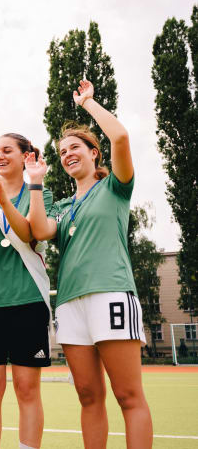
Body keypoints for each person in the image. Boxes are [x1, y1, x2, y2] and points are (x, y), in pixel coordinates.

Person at [26, 80, 153, 448]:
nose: (67, 154)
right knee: (88, 397)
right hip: (70, 303)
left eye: (75, 147)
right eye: (62, 151)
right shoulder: (63, 207)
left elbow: (123, 139)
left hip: (110, 294)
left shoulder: (115, 187)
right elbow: (38, 228)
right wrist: (36, 182)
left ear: (94, 153)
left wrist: (89, 104)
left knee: (128, 396)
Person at [0, 134, 53, 449]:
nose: (0, 156)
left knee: (27, 389)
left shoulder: (39, 194)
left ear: (25, 156)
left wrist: (3, 201)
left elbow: (31, 234)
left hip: (27, 302)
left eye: (7, 151)